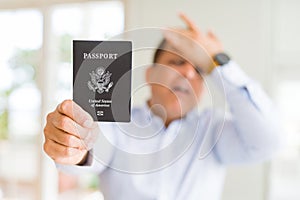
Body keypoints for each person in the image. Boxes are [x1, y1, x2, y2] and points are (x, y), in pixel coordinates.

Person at [43, 14, 282, 200]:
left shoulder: (216, 131)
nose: (188, 72)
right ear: (150, 74)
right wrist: (73, 147)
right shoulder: (116, 124)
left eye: (199, 69)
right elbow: (91, 153)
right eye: (176, 62)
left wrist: (217, 60)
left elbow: (268, 140)